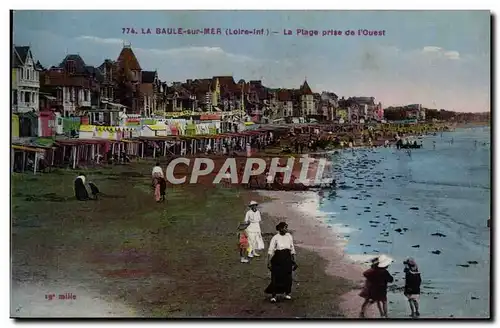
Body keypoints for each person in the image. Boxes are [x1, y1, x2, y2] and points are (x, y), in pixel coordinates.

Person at [265, 222, 297, 303]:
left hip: (287, 258)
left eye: (286, 228)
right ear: (280, 229)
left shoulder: (289, 236)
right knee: (276, 276)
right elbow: (271, 250)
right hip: (278, 258)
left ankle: (287, 293)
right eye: (284, 228)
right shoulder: (275, 238)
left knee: (288, 276)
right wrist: (268, 262)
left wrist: (294, 261)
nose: (286, 229)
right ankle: (274, 296)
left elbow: (292, 248)